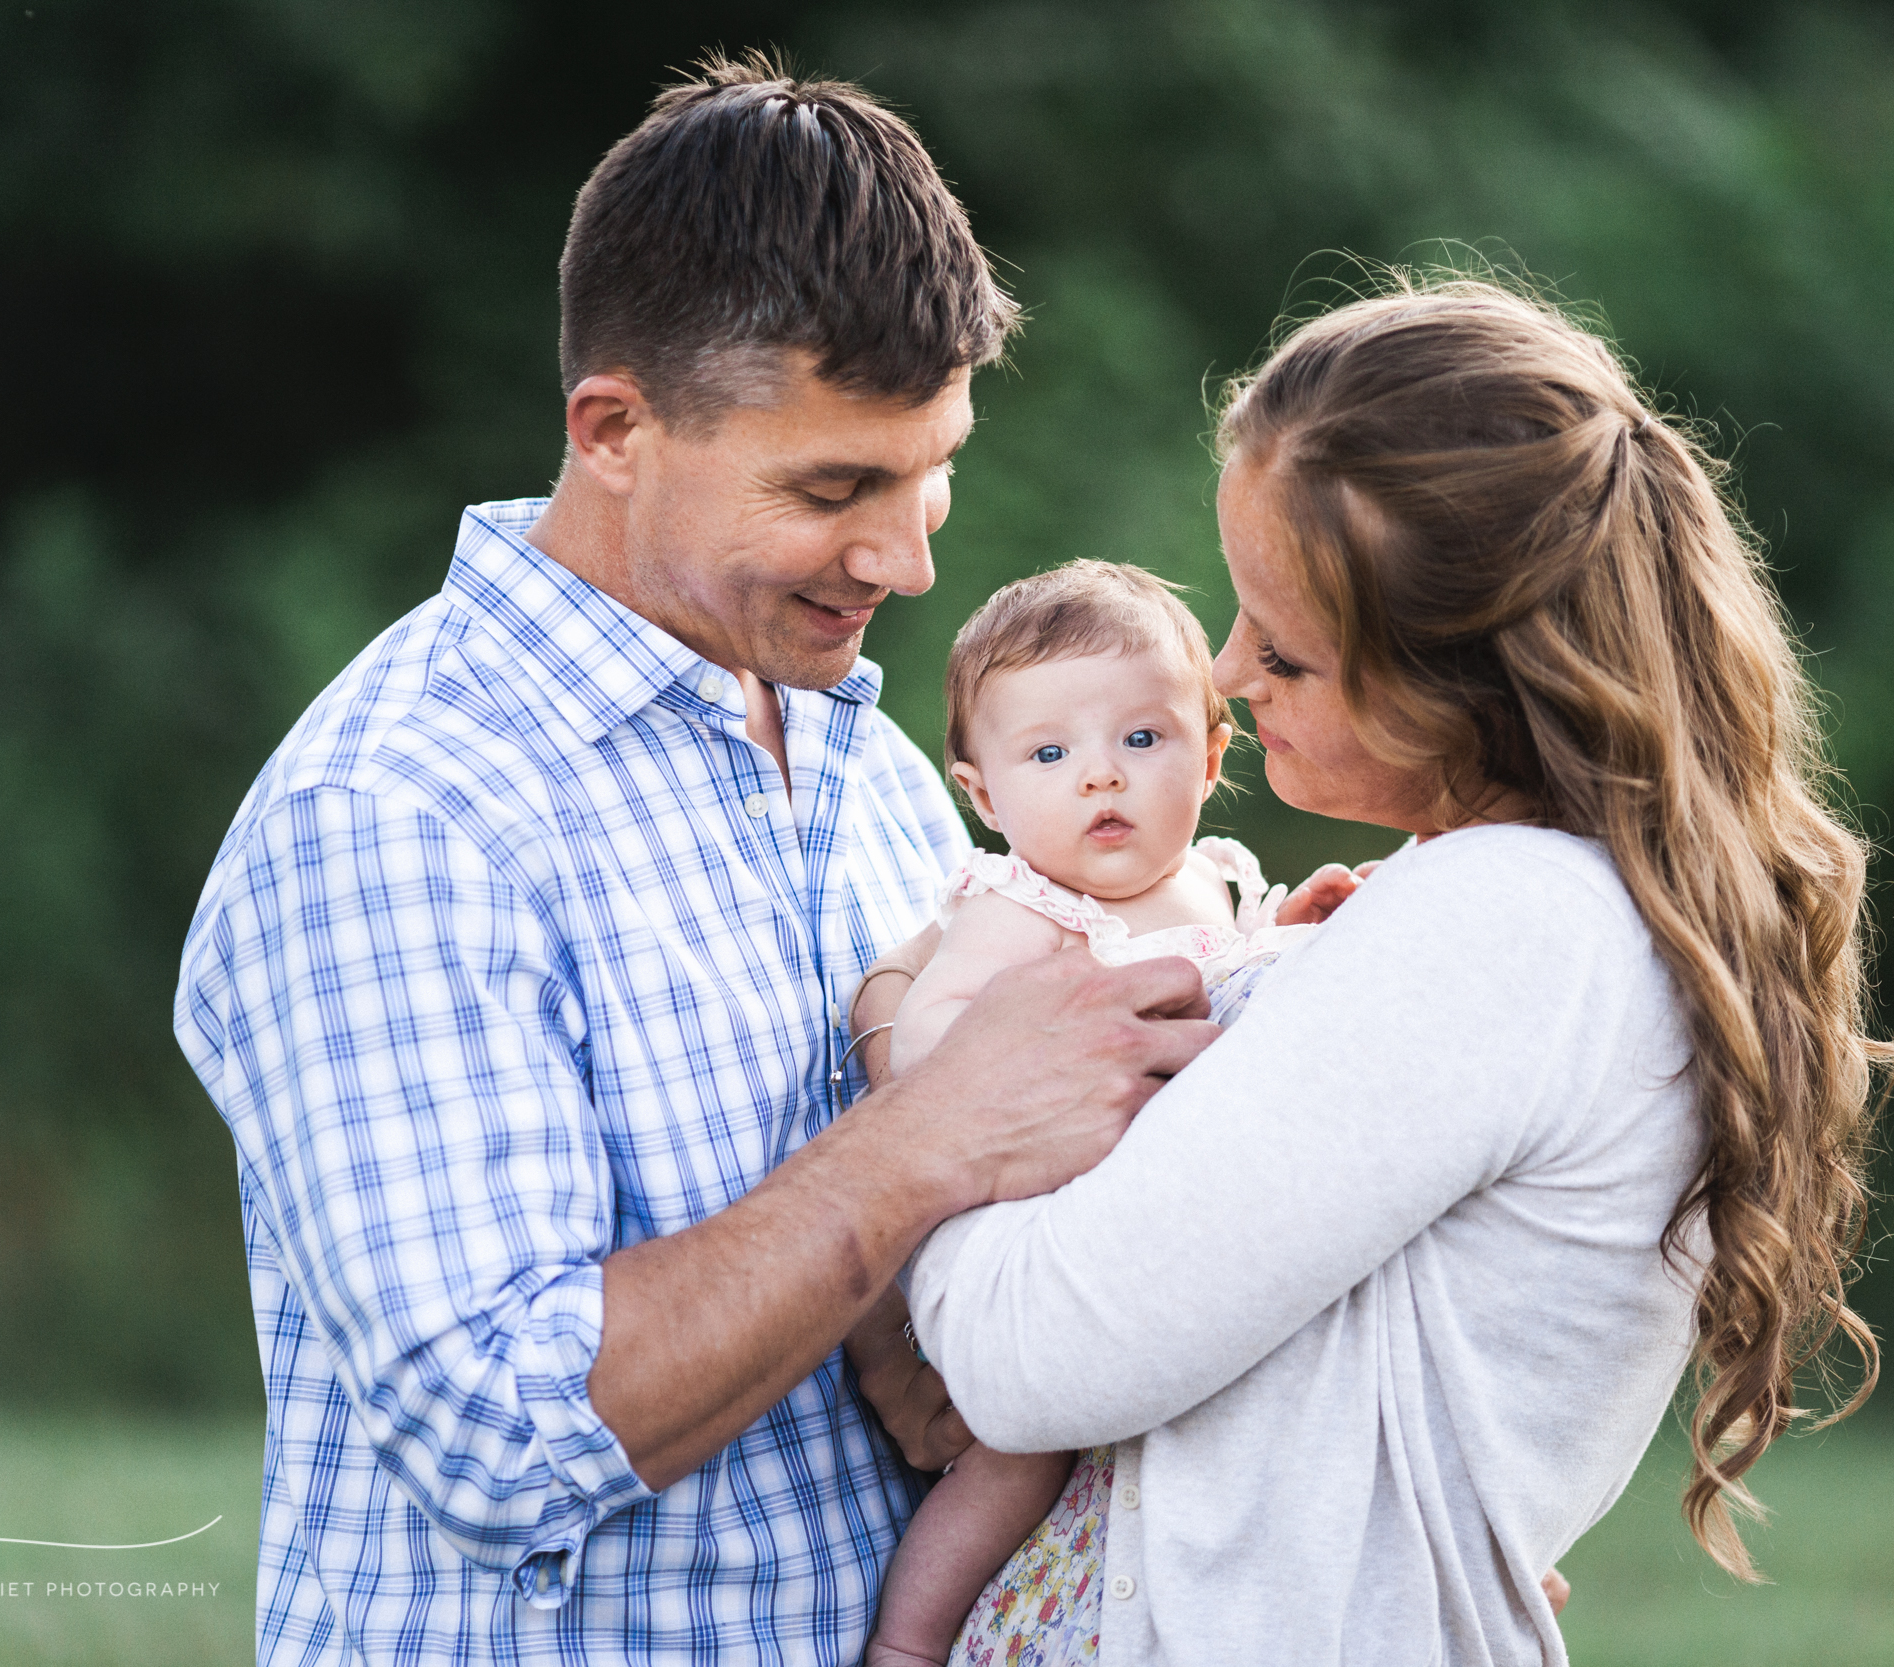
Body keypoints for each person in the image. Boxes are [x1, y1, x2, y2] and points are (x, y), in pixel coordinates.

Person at [172, 56, 1216, 1666]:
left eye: (932, 474)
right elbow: (505, 1436)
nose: (909, 556)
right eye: (833, 487)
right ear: (614, 430)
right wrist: (927, 1135)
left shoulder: (865, 758)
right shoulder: (397, 808)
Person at [888, 276, 1894, 1665]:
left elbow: (1030, 1352)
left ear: (1467, 679)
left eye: (1286, 650)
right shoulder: (1496, 911)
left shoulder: (1511, 924)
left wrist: (930, 1114)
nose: (1229, 674)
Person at [863, 560, 1355, 1667]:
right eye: (1049, 754)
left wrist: (1289, 938)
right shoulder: (1021, 905)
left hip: (1161, 1244)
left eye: (1142, 739)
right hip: (1035, 1227)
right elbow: (926, 1039)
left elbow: (1215, 989)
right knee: (1018, 1454)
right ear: (984, 794)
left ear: (1212, 751)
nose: (1101, 779)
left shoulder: (1208, 882)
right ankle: (910, 1637)